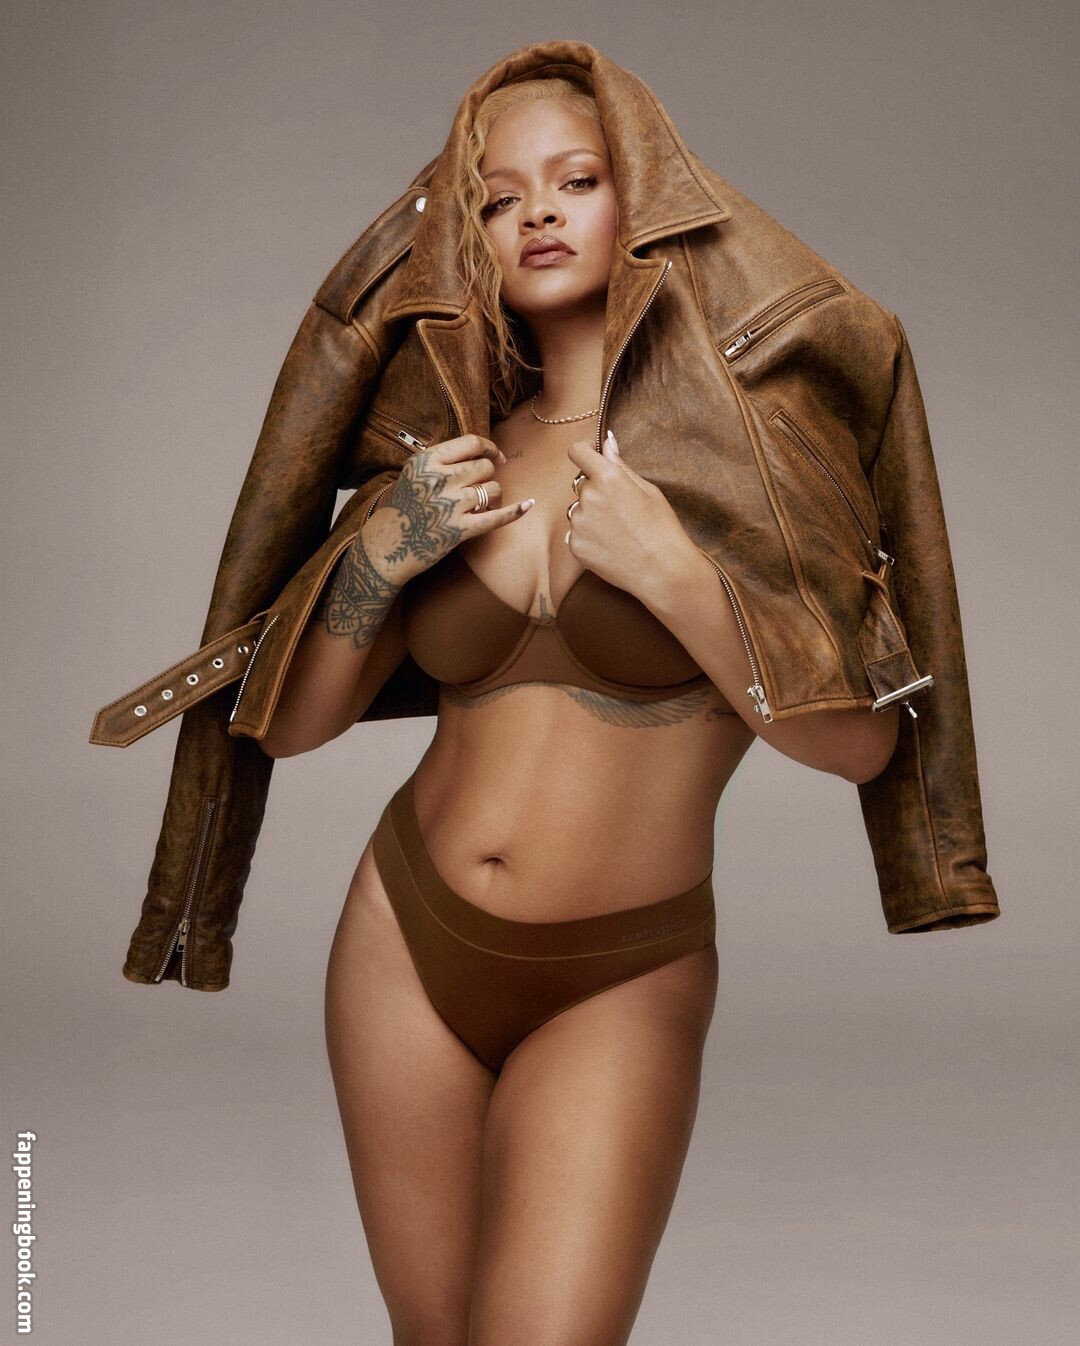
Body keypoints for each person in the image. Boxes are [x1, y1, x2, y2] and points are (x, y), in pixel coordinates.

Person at [256, 77, 902, 1343]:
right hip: (404, 940)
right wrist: (380, 556)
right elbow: (291, 728)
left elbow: (863, 744)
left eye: (577, 181)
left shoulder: (754, 450)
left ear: (641, 201)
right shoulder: (458, 449)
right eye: (500, 200)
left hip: (624, 968)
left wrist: (678, 580)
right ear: (473, 241)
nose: (539, 215)